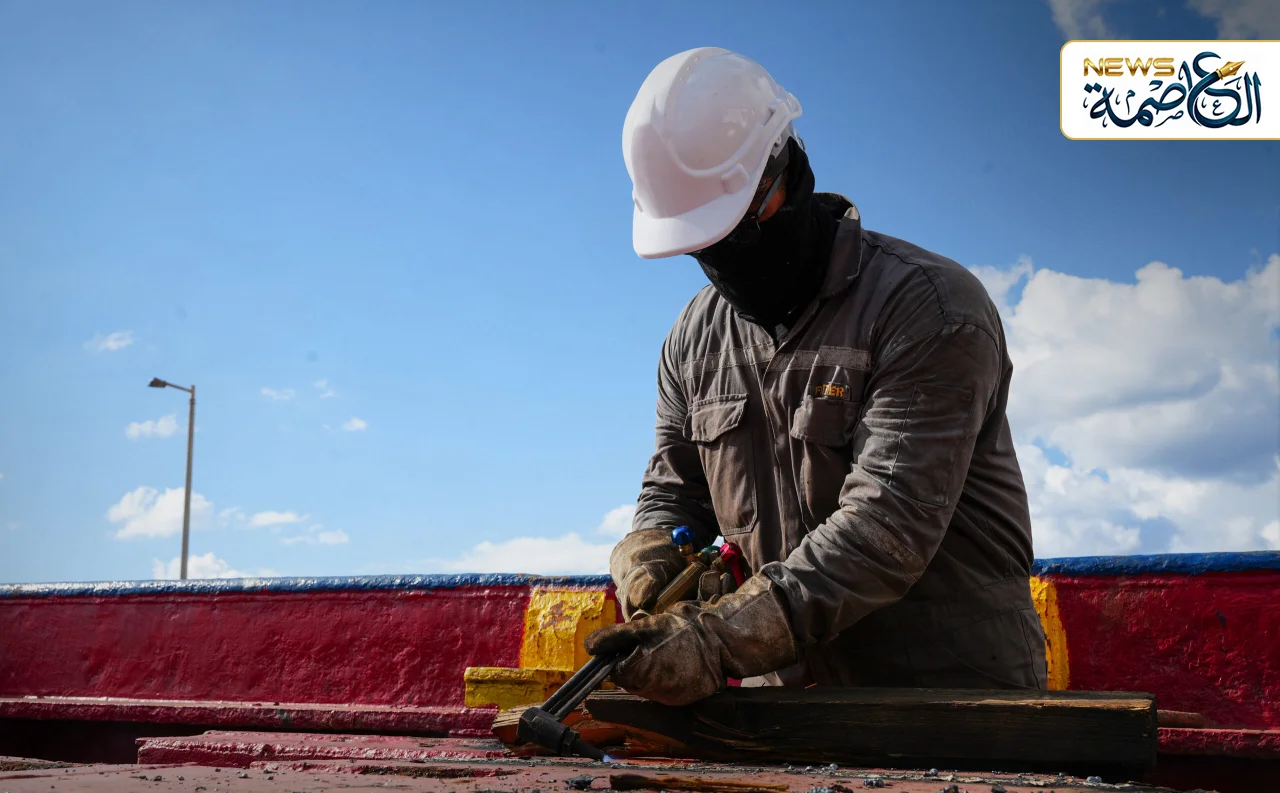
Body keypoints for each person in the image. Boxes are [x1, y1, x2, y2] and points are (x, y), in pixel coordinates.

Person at [584, 47, 1049, 707]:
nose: (724, 254)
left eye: (740, 223)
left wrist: (716, 641)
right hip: (785, 711)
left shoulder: (928, 308)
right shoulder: (694, 339)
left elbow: (887, 526)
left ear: (791, 170)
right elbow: (673, 491)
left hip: (952, 704)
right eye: (702, 242)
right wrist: (648, 552)